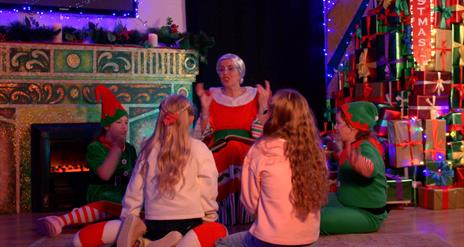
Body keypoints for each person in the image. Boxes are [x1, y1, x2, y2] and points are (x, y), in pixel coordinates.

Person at [216, 89, 329, 246]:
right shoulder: (316, 151)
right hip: (309, 240)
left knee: (222, 243)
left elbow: (250, 203)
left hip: (269, 240)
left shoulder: (261, 149)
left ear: (274, 117)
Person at [116, 94, 228, 247]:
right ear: (188, 119)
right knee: (220, 234)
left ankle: (146, 242)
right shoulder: (199, 148)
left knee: (151, 234)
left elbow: (134, 190)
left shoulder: (147, 150)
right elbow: (208, 187)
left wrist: (129, 218)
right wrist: (209, 216)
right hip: (189, 224)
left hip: (155, 224)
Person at [36, 85, 137, 247]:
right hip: (102, 192)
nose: (124, 127)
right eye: (119, 123)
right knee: (114, 205)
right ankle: (59, 221)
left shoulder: (130, 148)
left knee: (134, 203)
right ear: (107, 126)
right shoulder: (95, 148)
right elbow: (105, 174)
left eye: (126, 122)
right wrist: (117, 148)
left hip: (124, 192)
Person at [194, 53, 271, 225]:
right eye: (221, 69)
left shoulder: (257, 95)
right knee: (228, 150)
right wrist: (205, 110)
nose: (225, 73)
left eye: (230, 68)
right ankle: (223, 217)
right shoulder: (211, 95)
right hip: (218, 149)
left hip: (249, 147)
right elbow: (202, 136)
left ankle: (248, 214)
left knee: (238, 149)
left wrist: (264, 105)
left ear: (241, 72)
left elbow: (260, 135)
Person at [320, 101, 388, 235]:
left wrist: (365, 168)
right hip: (344, 200)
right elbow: (346, 161)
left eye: (339, 123)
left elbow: (371, 169)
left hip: (366, 213)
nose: (336, 127)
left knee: (316, 219)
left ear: (352, 126)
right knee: (311, 203)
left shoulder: (366, 146)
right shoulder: (352, 145)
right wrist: (339, 149)